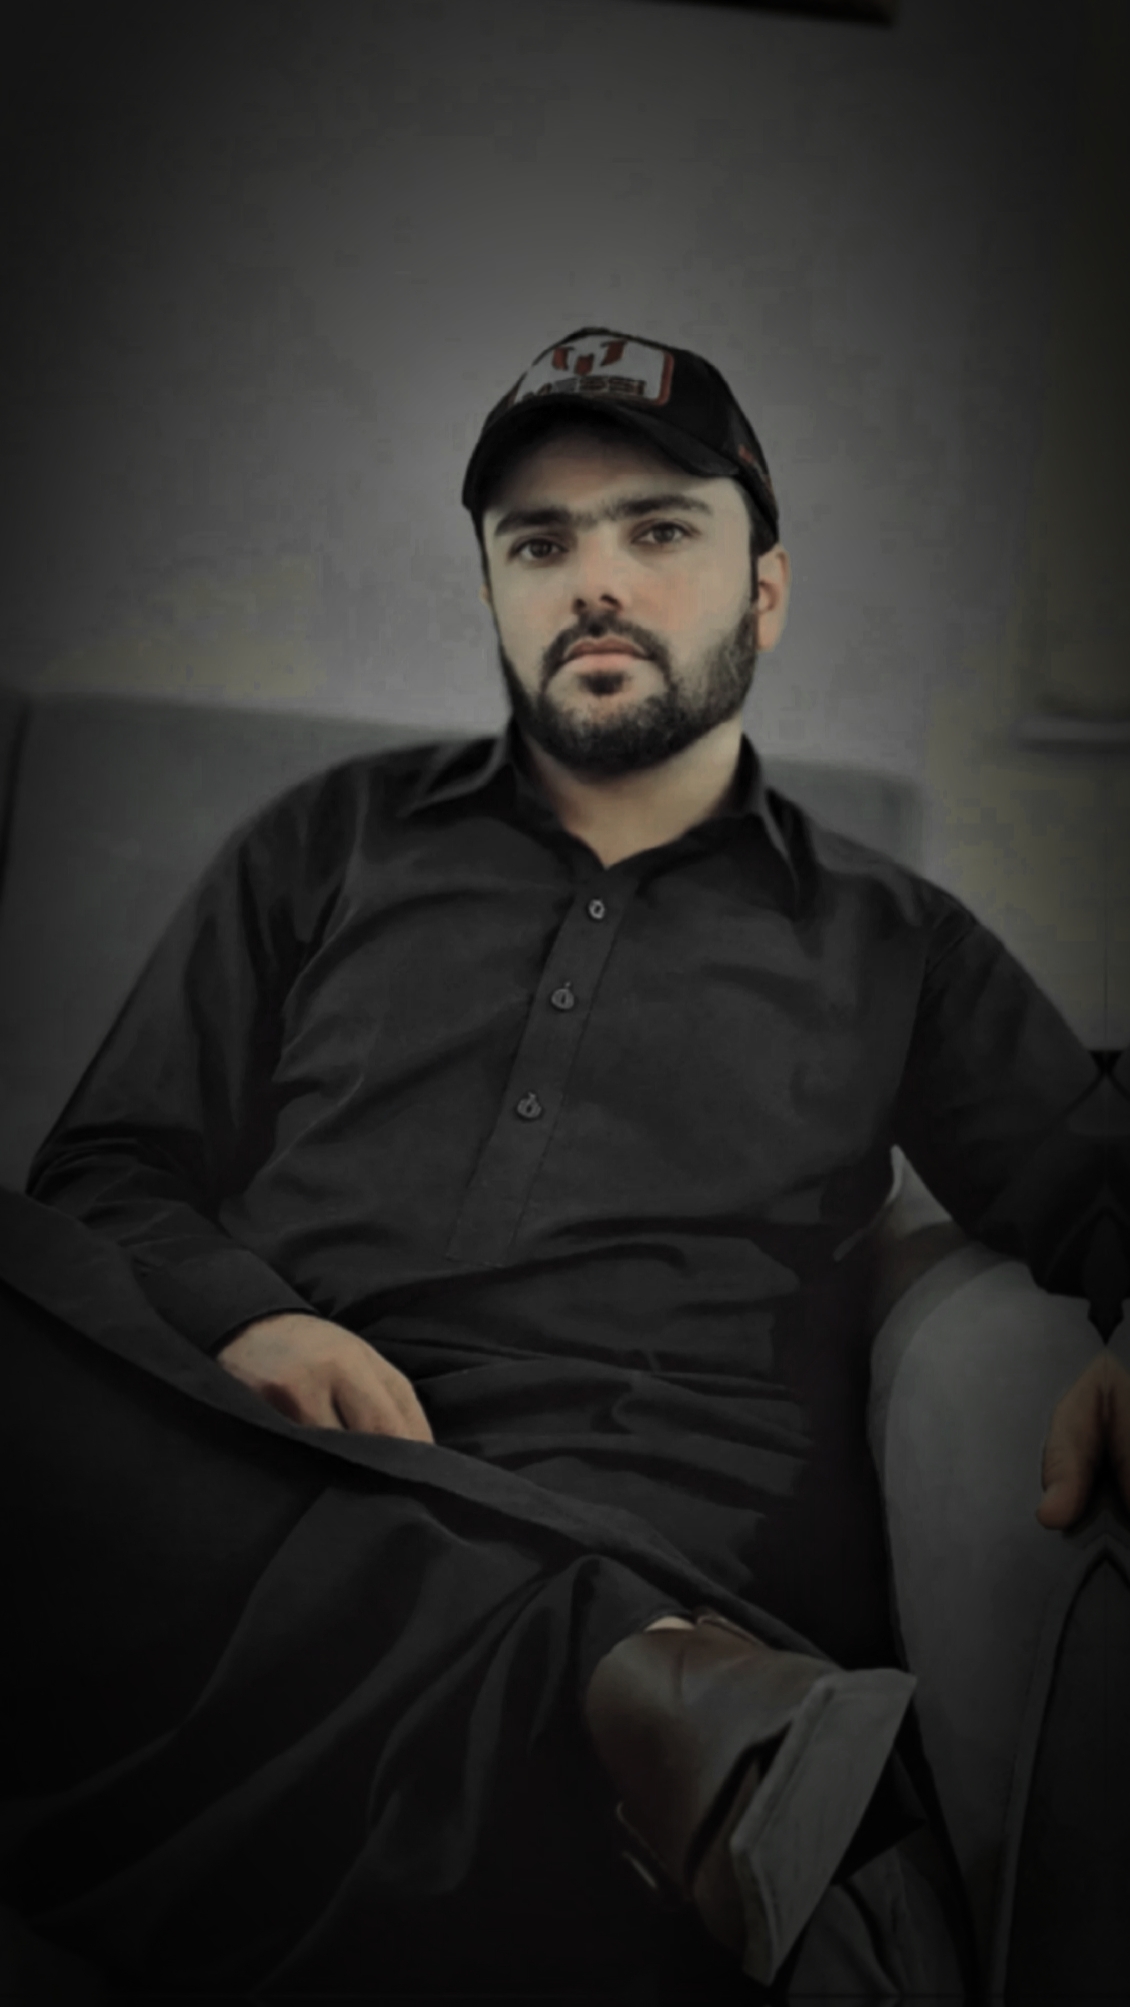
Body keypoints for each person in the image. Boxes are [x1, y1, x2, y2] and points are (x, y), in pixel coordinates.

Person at [3, 326, 1128, 2002]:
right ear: (494, 591)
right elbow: (107, 1168)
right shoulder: (324, 843)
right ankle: (647, 1713)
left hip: (647, 1528)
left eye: (657, 529)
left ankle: (603, 1690)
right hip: (258, 1495)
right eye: (538, 543)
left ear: (763, 591)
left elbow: (1097, 1172)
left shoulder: (896, 941)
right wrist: (250, 1317)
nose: (592, 580)